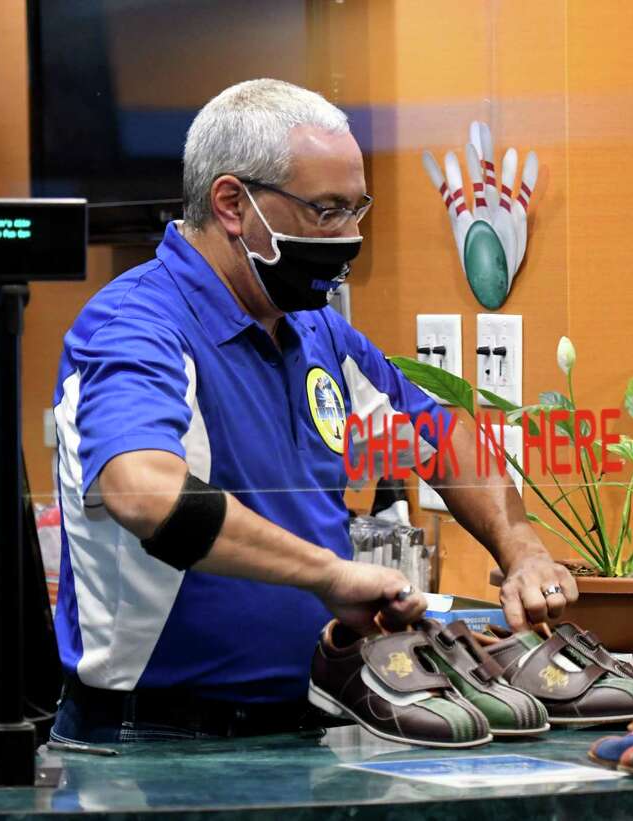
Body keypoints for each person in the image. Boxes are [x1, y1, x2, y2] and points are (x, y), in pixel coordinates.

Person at [47, 79, 576, 744]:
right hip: (151, 741)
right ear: (234, 204)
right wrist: (328, 573)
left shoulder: (316, 330)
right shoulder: (137, 324)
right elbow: (143, 491)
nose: (350, 237)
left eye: (358, 210)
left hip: (304, 728)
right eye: (327, 212)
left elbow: (439, 433)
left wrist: (522, 548)